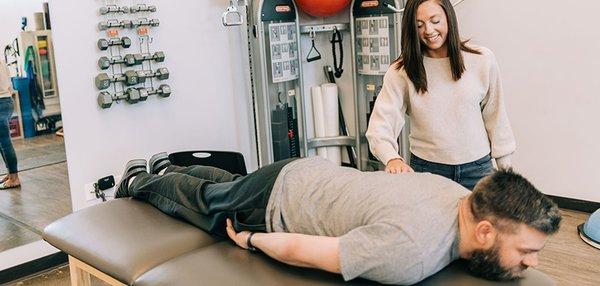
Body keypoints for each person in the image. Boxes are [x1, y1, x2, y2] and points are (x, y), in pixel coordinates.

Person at [116, 155, 560, 285]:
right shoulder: (411, 251)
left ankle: (171, 170)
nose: (532, 263)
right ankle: (140, 181)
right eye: (526, 252)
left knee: (230, 184)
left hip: (312, 172)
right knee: (209, 203)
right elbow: (305, 253)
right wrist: (251, 240)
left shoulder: (461, 195)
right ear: (484, 230)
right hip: (278, 200)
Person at [366, 0, 516, 190]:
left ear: (448, 18)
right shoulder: (401, 71)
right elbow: (379, 126)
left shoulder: (482, 60)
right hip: (427, 171)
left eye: (435, 21)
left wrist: (506, 173)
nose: (428, 31)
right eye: (419, 25)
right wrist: (392, 158)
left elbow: (496, 117)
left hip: (478, 170)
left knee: (485, 223)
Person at [0, 59, 19, 190]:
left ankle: (14, 178)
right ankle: (10, 174)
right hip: (7, 101)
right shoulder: (1, 61)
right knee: (3, 142)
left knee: (5, 142)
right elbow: (9, 83)